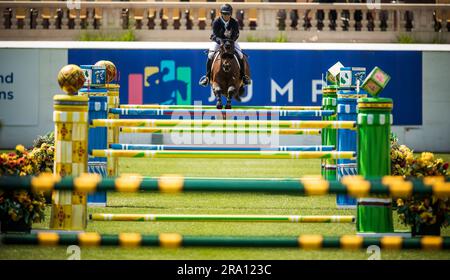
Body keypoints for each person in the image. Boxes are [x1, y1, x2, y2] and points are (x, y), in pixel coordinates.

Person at [199, 3, 250, 87]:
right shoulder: (216, 22)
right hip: (219, 42)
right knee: (210, 55)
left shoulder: (234, 22)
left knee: (240, 55)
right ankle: (207, 77)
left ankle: (243, 76)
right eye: (224, 13)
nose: (226, 15)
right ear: (221, 13)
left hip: (231, 42)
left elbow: (236, 34)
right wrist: (221, 42)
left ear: (230, 14)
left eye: (228, 14)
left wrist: (231, 41)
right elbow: (214, 35)